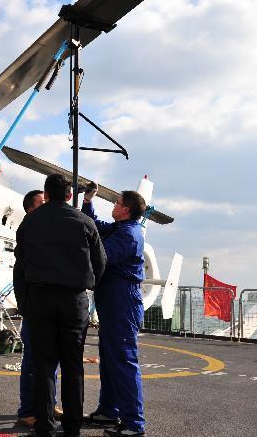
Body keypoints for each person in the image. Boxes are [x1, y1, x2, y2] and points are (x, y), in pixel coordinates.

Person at [17, 174, 106, 437]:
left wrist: (27, 299)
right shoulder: (85, 222)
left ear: (45, 194)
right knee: (72, 366)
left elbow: (20, 263)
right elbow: (100, 262)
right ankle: (72, 427)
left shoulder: (30, 222)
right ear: (70, 195)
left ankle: (43, 426)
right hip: (73, 299)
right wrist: (87, 285)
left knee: (43, 366)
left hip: (40, 298)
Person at [81, 186, 148, 437]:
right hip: (112, 301)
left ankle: (133, 424)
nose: (114, 205)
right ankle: (109, 410)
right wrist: (88, 201)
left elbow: (101, 258)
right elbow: (95, 225)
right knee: (110, 361)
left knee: (123, 361)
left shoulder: (128, 235)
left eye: (117, 202)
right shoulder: (120, 228)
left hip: (123, 302)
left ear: (126, 209)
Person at [12, 189, 60, 428]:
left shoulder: (39, 229)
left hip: (44, 306)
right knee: (32, 360)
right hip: (34, 307)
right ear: (31, 209)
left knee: (50, 359)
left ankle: (49, 403)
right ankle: (27, 409)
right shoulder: (28, 232)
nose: (47, 205)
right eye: (42, 202)